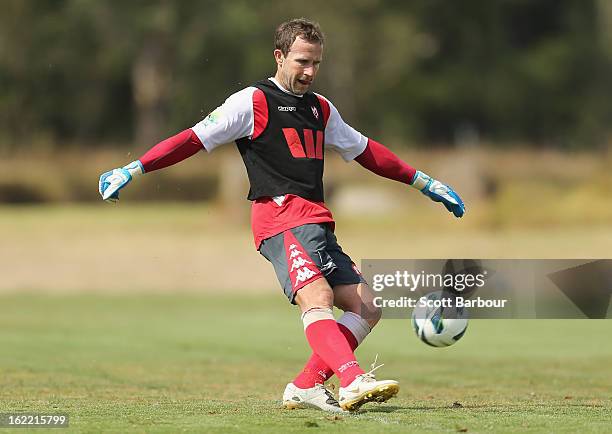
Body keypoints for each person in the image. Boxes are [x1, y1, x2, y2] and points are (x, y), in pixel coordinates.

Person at [99, 18, 465, 413]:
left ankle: (306, 386)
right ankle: (352, 379)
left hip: (317, 221)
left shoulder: (321, 109)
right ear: (279, 56)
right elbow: (192, 139)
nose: (309, 72)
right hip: (280, 216)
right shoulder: (251, 102)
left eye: (316, 64)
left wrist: (424, 182)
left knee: (366, 307)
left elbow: (366, 151)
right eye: (302, 62)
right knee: (319, 297)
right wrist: (135, 168)